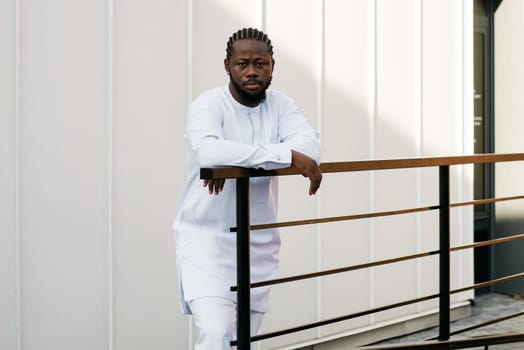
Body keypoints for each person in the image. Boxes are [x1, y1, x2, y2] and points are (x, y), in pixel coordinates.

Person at [173, 27, 322, 349]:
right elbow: (209, 151)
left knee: (244, 342)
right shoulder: (209, 104)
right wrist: (283, 154)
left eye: (260, 63)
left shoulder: (281, 105)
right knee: (215, 334)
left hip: (259, 243)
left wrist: (235, 163)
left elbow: (309, 149)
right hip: (206, 241)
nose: (252, 71)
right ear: (227, 65)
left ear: (272, 65)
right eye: (243, 64)